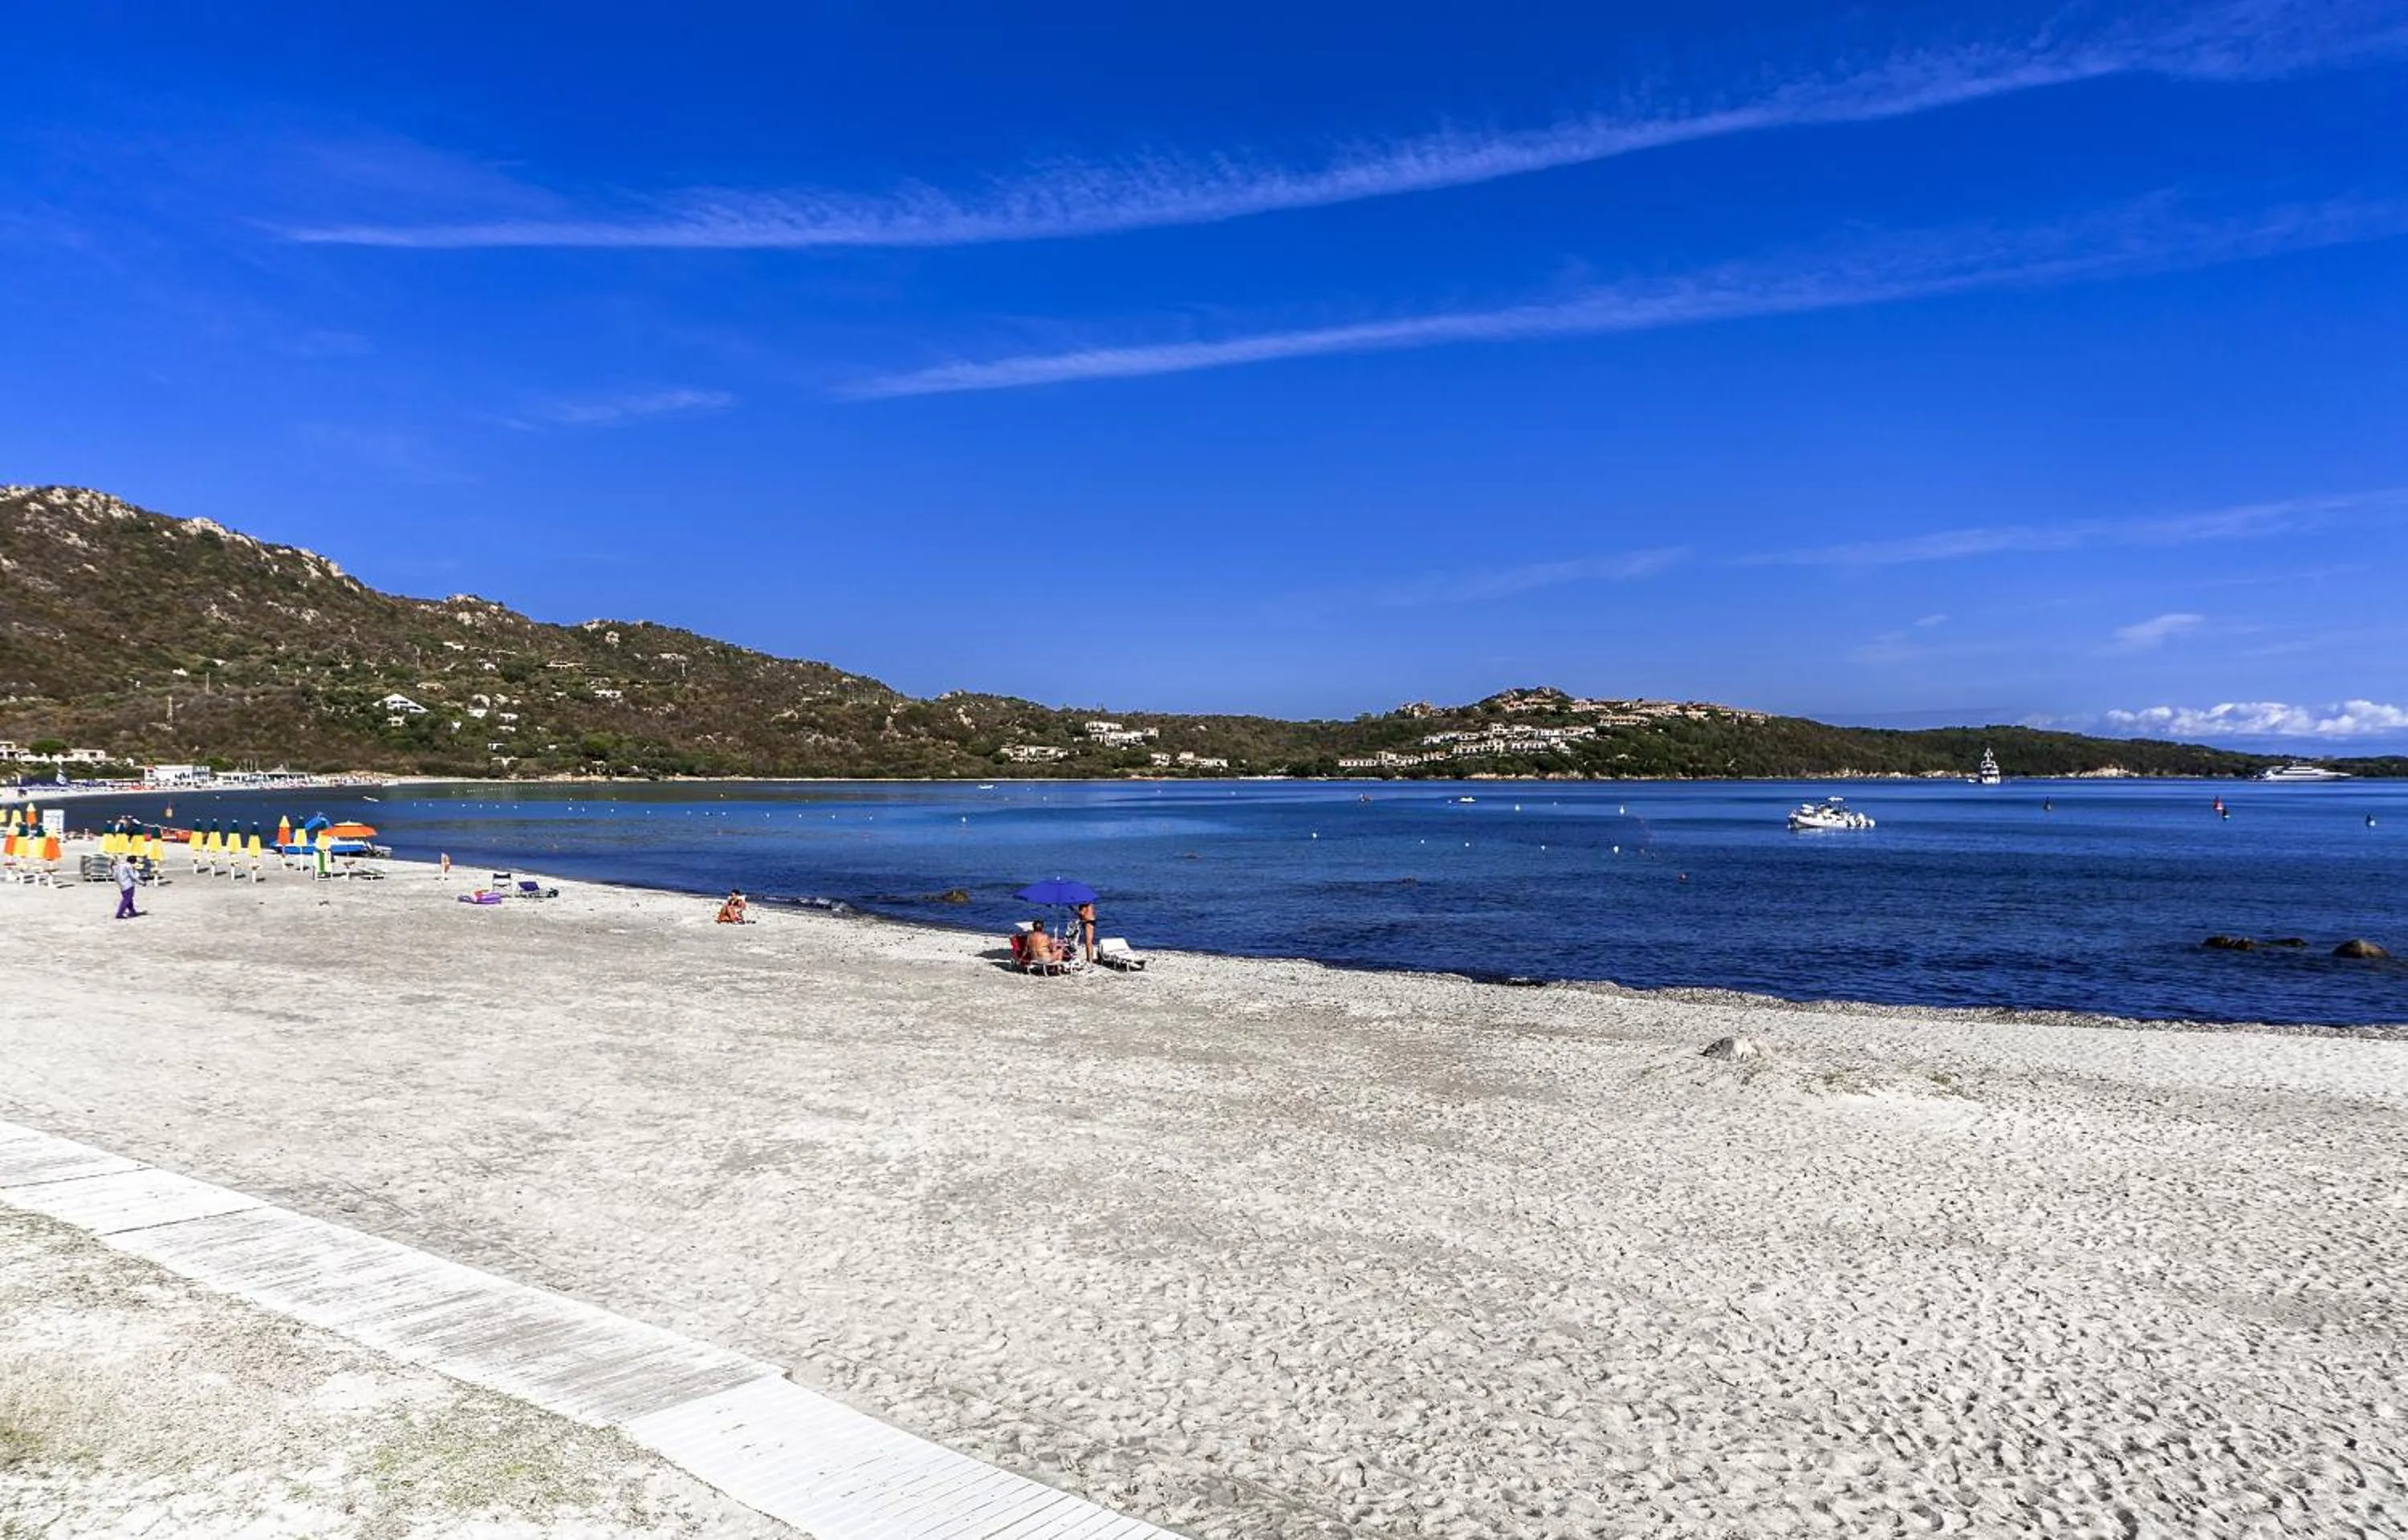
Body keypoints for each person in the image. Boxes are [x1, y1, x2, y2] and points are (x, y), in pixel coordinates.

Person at [112, 852, 140, 920]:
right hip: (128, 885)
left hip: (121, 885)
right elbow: (133, 877)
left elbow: (115, 875)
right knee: (127, 899)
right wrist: (141, 882)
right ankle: (120, 913)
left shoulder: (119, 866)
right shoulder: (129, 866)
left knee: (129, 899)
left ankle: (133, 912)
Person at [1076, 899, 1098, 964]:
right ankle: (1089, 959)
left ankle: (1090, 960)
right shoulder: (1087, 903)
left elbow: (1082, 913)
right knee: (1087, 942)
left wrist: (1075, 910)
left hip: (1089, 922)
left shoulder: (1086, 903)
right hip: (1087, 921)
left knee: (1089, 942)